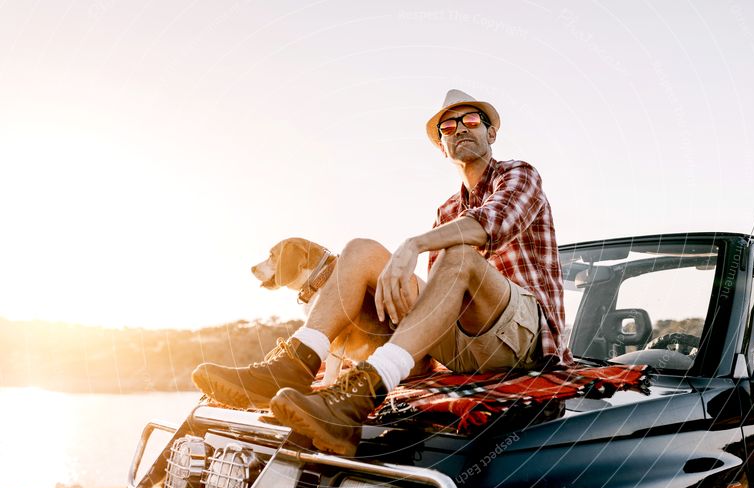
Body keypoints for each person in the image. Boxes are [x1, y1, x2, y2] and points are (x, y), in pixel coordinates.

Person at [192, 89, 573, 456]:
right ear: (443, 146)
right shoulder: (446, 210)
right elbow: (439, 301)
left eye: (471, 119)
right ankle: (295, 364)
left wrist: (414, 245)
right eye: (449, 127)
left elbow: (494, 223)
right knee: (360, 250)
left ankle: (362, 393)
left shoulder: (519, 175)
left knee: (460, 256)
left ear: (491, 132)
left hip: (526, 340)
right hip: (466, 343)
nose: (460, 128)